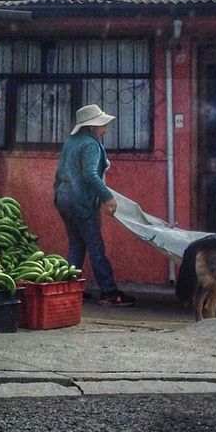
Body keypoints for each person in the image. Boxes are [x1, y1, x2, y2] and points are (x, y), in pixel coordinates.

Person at [53, 104, 135, 306]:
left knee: (76, 245)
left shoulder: (72, 141)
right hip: (81, 202)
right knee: (95, 247)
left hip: (63, 198)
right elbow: (90, 175)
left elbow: (61, 172)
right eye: (102, 125)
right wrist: (107, 197)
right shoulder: (90, 145)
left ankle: (69, 288)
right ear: (91, 127)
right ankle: (109, 292)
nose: (104, 129)